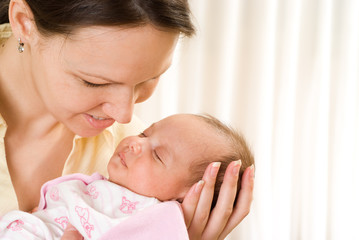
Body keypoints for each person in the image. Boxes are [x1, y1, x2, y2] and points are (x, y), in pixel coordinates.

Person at [0, 0, 255, 239]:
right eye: (95, 82)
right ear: (24, 23)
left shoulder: (154, 184)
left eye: (150, 78)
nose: (124, 114)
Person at [0, 113, 255, 239]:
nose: (134, 142)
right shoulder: (111, 185)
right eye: (145, 134)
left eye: (157, 156)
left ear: (187, 197)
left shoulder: (152, 219)